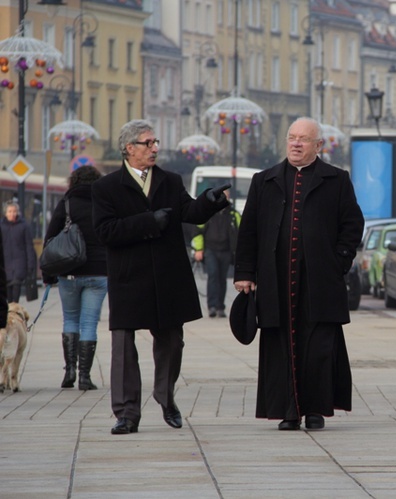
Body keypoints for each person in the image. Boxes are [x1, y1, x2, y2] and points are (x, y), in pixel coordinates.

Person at [92, 119, 230, 435]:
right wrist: (147, 221)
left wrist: (210, 202)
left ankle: (166, 398)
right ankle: (127, 413)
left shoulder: (170, 181)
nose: (155, 148)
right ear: (129, 148)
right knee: (123, 345)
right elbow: (105, 232)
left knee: (171, 341)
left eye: (156, 142)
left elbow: (190, 214)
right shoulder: (106, 187)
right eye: (148, 143)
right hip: (128, 278)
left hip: (168, 275)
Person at [234, 117, 364, 431]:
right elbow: (248, 230)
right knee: (279, 345)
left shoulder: (336, 180)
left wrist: (338, 263)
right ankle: (288, 411)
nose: (295, 143)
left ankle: (316, 409)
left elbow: (352, 225)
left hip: (320, 281)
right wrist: (245, 272)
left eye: (304, 139)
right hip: (275, 280)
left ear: (319, 146)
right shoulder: (265, 180)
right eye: (292, 137)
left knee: (318, 347)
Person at [42, 166, 107, 391]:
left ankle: (69, 370)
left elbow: (50, 239)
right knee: (89, 323)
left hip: (69, 271)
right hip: (99, 271)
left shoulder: (67, 204)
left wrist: (48, 274)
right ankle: (85, 377)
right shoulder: (104, 203)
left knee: (70, 319)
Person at [191, 189, 241, 318]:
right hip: (210, 250)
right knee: (213, 276)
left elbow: (241, 233)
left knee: (222, 279)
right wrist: (198, 250)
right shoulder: (208, 213)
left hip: (226, 251)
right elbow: (197, 232)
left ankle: (220, 307)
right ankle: (212, 306)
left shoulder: (233, 214)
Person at [1, 201, 36, 303]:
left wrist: (30, 266)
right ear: (5, 213)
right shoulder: (1, 226)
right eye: (10, 211)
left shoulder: (24, 226)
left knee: (16, 292)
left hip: (19, 265)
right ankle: (9, 314)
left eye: (14, 211)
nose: (12, 214)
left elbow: (29, 247)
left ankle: (14, 312)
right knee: (8, 294)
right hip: (5, 266)